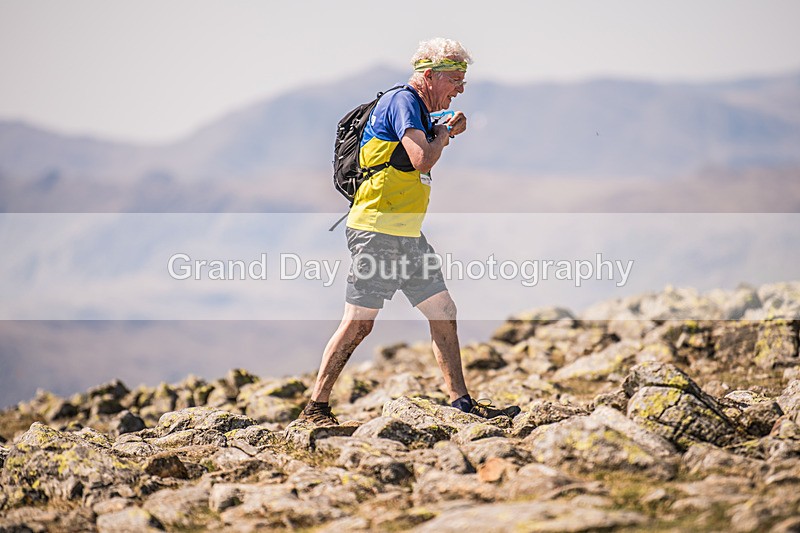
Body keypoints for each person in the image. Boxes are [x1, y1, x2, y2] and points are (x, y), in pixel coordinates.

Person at [299, 38, 520, 426]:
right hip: (376, 232)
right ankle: (314, 408)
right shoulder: (402, 101)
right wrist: (445, 136)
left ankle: (460, 403)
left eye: (464, 80)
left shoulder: (415, 109)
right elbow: (420, 158)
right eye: (455, 79)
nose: (461, 89)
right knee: (359, 322)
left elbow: (416, 144)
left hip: (405, 234)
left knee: (443, 310)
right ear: (430, 76)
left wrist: (442, 126)